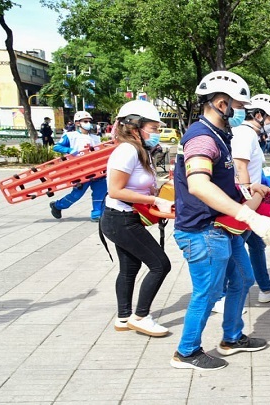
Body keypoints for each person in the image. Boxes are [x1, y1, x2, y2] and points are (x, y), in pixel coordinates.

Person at [170, 71, 270, 371]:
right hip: (203, 231)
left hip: (221, 228)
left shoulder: (220, 136)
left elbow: (220, 181)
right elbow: (199, 185)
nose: (243, 113)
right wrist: (249, 216)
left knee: (244, 280)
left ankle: (232, 337)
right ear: (222, 104)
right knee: (207, 292)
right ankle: (187, 351)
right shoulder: (201, 138)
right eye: (239, 106)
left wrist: (248, 190)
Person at [100, 100, 173, 337]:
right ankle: (141, 317)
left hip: (125, 217)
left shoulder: (140, 151)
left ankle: (123, 318)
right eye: (152, 128)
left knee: (130, 267)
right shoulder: (127, 151)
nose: (156, 133)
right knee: (160, 264)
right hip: (120, 219)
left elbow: (141, 186)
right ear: (134, 127)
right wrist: (155, 201)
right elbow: (115, 190)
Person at [220, 93, 270, 308]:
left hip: (251, 198)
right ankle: (221, 296)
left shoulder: (249, 134)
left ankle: (266, 288)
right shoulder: (245, 134)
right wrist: (250, 201)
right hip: (245, 200)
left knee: (257, 244)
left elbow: (252, 169)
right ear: (258, 115)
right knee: (234, 247)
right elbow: (240, 167)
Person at [50, 111, 107, 221]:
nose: (88, 124)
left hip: (97, 169)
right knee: (77, 194)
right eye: (85, 121)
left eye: (89, 121)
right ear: (77, 123)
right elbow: (57, 147)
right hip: (80, 170)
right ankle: (57, 205)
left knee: (101, 193)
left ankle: (97, 214)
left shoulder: (95, 138)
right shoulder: (70, 136)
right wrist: (69, 150)